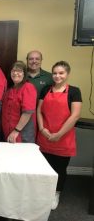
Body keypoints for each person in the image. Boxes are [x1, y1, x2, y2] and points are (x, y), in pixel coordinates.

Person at [36, 61, 82, 210]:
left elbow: (75, 116)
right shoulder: (45, 90)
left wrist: (59, 134)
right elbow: (39, 111)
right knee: (43, 167)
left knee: (60, 169)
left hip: (63, 138)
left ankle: (56, 193)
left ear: (67, 74)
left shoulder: (74, 91)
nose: (57, 76)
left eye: (61, 73)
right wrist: (42, 129)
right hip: (45, 136)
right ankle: (43, 193)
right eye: (55, 73)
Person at [1, 61, 37, 143]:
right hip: (8, 134)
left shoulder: (28, 87)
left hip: (21, 134)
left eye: (19, 71)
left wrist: (16, 131)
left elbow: (27, 113)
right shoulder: (9, 90)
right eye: (13, 71)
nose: (15, 73)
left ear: (24, 74)